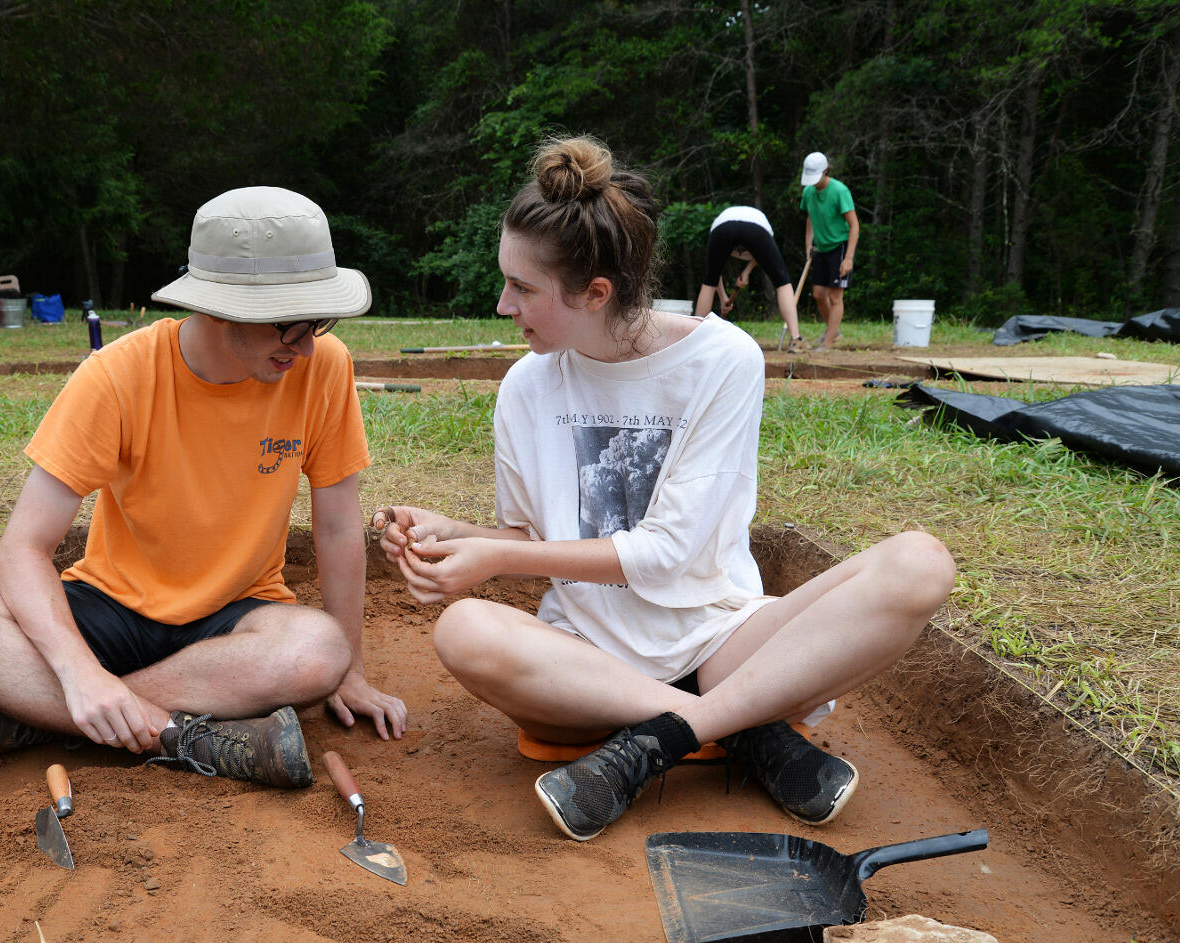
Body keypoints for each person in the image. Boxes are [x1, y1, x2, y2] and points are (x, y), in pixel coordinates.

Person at [374, 135, 954, 841]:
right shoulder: (526, 386)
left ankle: (663, 739)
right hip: (586, 663)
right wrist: (459, 535)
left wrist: (497, 561)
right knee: (464, 629)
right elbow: (530, 540)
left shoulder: (721, 361)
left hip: (724, 641)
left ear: (595, 293)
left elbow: (665, 553)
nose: (503, 305)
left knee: (922, 563)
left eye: (522, 288)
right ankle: (743, 727)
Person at [0, 186, 408, 789]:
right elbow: (23, 549)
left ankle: (41, 720)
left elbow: (338, 523)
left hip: (235, 619)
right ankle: (178, 733)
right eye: (286, 325)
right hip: (110, 607)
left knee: (319, 652)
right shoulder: (117, 375)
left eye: (317, 322)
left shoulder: (324, 365)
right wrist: (78, 671)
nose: (304, 345)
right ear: (222, 308)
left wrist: (351, 670)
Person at [693, 205, 807, 353]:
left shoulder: (722, 223)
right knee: (782, 282)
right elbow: (762, 254)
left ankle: (695, 339)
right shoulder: (760, 225)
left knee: (708, 282)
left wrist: (746, 272)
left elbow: (714, 275)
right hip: (756, 229)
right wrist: (723, 298)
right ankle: (796, 339)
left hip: (722, 228)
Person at [799, 151, 859, 350]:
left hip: (839, 247)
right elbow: (810, 218)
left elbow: (854, 225)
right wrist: (809, 244)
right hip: (821, 248)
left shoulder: (839, 191)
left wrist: (848, 257)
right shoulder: (808, 192)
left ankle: (828, 342)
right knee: (818, 294)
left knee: (835, 297)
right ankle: (834, 331)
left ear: (826, 171)